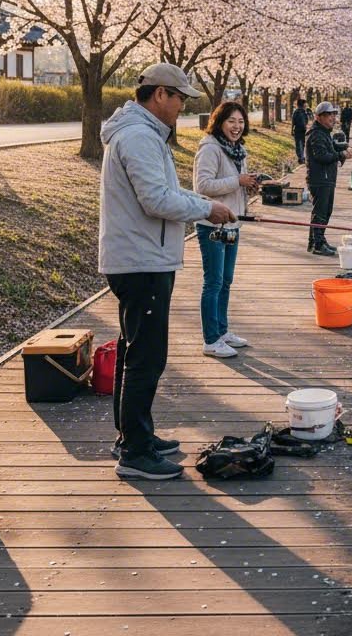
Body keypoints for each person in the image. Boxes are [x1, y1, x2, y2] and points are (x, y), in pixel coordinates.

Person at [99, 63, 236, 481]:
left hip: (142, 258)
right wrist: (207, 208)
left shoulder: (142, 133)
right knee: (147, 356)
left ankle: (134, 436)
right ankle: (135, 454)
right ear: (160, 95)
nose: (182, 107)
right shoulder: (139, 136)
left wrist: (196, 203)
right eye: (180, 99)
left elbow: (165, 193)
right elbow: (156, 200)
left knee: (134, 350)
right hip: (141, 261)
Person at [193, 101, 260, 359]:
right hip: (212, 225)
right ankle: (210, 339)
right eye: (231, 121)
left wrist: (249, 186)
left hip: (233, 223)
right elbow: (203, 185)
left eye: (241, 122)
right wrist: (237, 181)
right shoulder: (210, 148)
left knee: (226, 281)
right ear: (219, 121)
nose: (237, 126)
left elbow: (233, 185)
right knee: (214, 282)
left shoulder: (237, 150)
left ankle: (222, 331)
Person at [306, 101, 352, 255]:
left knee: (325, 211)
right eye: (329, 115)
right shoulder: (316, 135)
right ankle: (318, 244)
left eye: (334, 114)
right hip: (320, 179)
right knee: (321, 212)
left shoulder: (323, 133)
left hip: (326, 178)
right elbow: (322, 156)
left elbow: (329, 146)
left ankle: (316, 242)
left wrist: (343, 147)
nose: (332, 117)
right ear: (319, 117)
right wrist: (341, 155)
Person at [291, 98, 309, 165]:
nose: (305, 105)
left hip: (297, 130)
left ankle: (300, 157)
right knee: (302, 143)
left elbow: (293, 122)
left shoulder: (296, 112)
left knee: (298, 144)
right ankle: (301, 157)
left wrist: (292, 130)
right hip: (303, 130)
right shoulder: (304, 112)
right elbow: (306, 121)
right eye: (304, 104)